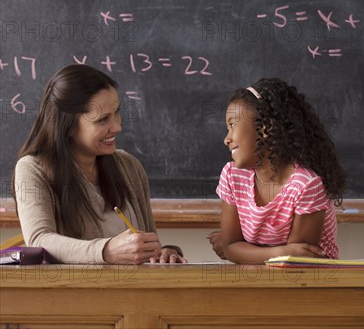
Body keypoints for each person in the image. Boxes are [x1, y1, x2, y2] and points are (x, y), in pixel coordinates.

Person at [13, 64, 186, 264]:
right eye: (103, 119)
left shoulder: (129, 166)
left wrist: (165, 252)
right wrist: (105, 251)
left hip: (134, 292)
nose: (117, 127)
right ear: (67, 125)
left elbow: (148, 246)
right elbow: (39, 241)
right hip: (74, 293)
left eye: (116, 113)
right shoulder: (33, 169)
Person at [208, 78, 347, 263]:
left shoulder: (306, 185)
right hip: (261, 278)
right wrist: (279, 252)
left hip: (312, 284)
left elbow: (297, 261)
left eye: (232, 125)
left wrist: (244, 251)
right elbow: (231, 248)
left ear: (265, 127)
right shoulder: (233, 176)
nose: (227, 139)